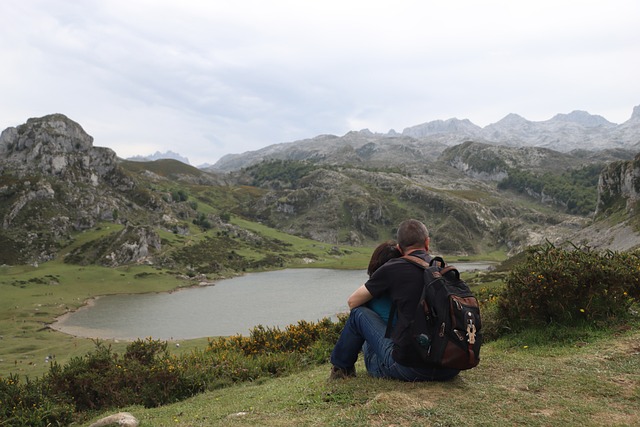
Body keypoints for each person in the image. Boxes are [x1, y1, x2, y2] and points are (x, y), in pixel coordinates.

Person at [329, 219, 460, 381]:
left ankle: (341, 369)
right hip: (451, 367)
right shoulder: (442, 268)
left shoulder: (393, 267)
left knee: (358, 314)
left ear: (399, 248)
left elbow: (352, 302)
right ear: (427, 243)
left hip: (411, 370)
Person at [365, 240, 401, 325]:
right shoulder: (409, 286)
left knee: (357, 312)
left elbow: (352, 302)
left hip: (386, 335)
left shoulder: (371, 294)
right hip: (406, 334)